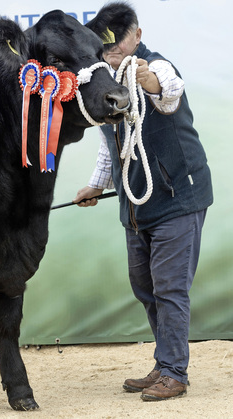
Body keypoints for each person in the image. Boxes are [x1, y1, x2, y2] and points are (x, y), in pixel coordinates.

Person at [74, 2, 213, 401]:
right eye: (107, 45)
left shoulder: (156, 65)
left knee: (169, 287)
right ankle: (165, 360)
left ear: (137, 35)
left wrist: (147, 77)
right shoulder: (106, 78)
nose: (113, 50)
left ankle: (174, 371)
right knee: (145, 285)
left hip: (177, 198)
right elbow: (109, 142)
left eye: (119, 43)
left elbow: (168, 92)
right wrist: (97, 185)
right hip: (136, 206)